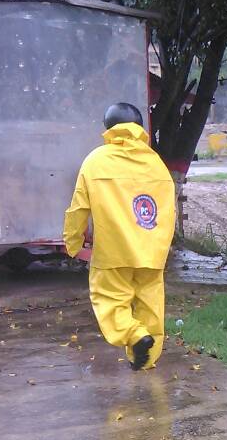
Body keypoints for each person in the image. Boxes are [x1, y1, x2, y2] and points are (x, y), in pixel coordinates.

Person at [63, 103, 175, 370]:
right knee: (150, 305)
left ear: (108, 128)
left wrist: (73, 243)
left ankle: (134, 336)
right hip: (152, 251)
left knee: (110, 300)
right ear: (140, 128)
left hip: (113, 252)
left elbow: (78, 208)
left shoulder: (96, 161)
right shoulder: (155, 163)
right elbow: (169, 209)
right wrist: (162, 248)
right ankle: (146, 362)